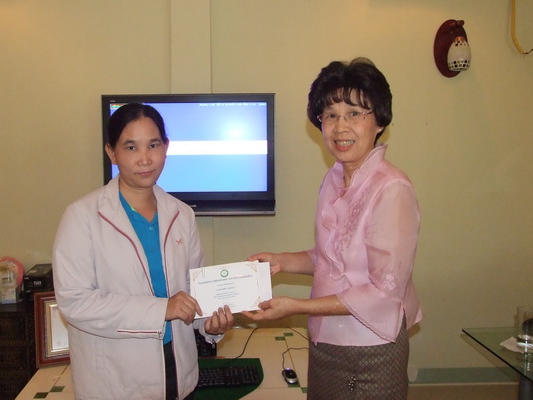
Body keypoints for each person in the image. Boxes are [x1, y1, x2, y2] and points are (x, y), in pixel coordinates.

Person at [242, 58, 422, 400]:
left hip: (369, 349)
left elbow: (383, 291)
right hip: (325, 339)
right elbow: (331, 259)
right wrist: (281, 260)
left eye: (354, 113)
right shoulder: (334, 177)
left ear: (379, 121)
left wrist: (296, 306)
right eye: (330, 115)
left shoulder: (391, 188)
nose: (340, 127)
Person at [53, 102, 234, 400]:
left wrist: (211, 325)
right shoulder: (82, 216)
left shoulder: (182, 214)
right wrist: (161, 309)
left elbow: (193, 291)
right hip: (115, 383)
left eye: (153, 145)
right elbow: (76, 303)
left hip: (178, 373)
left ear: (166, 147)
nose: (145, 159)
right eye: (131, 147)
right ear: (112, 153)